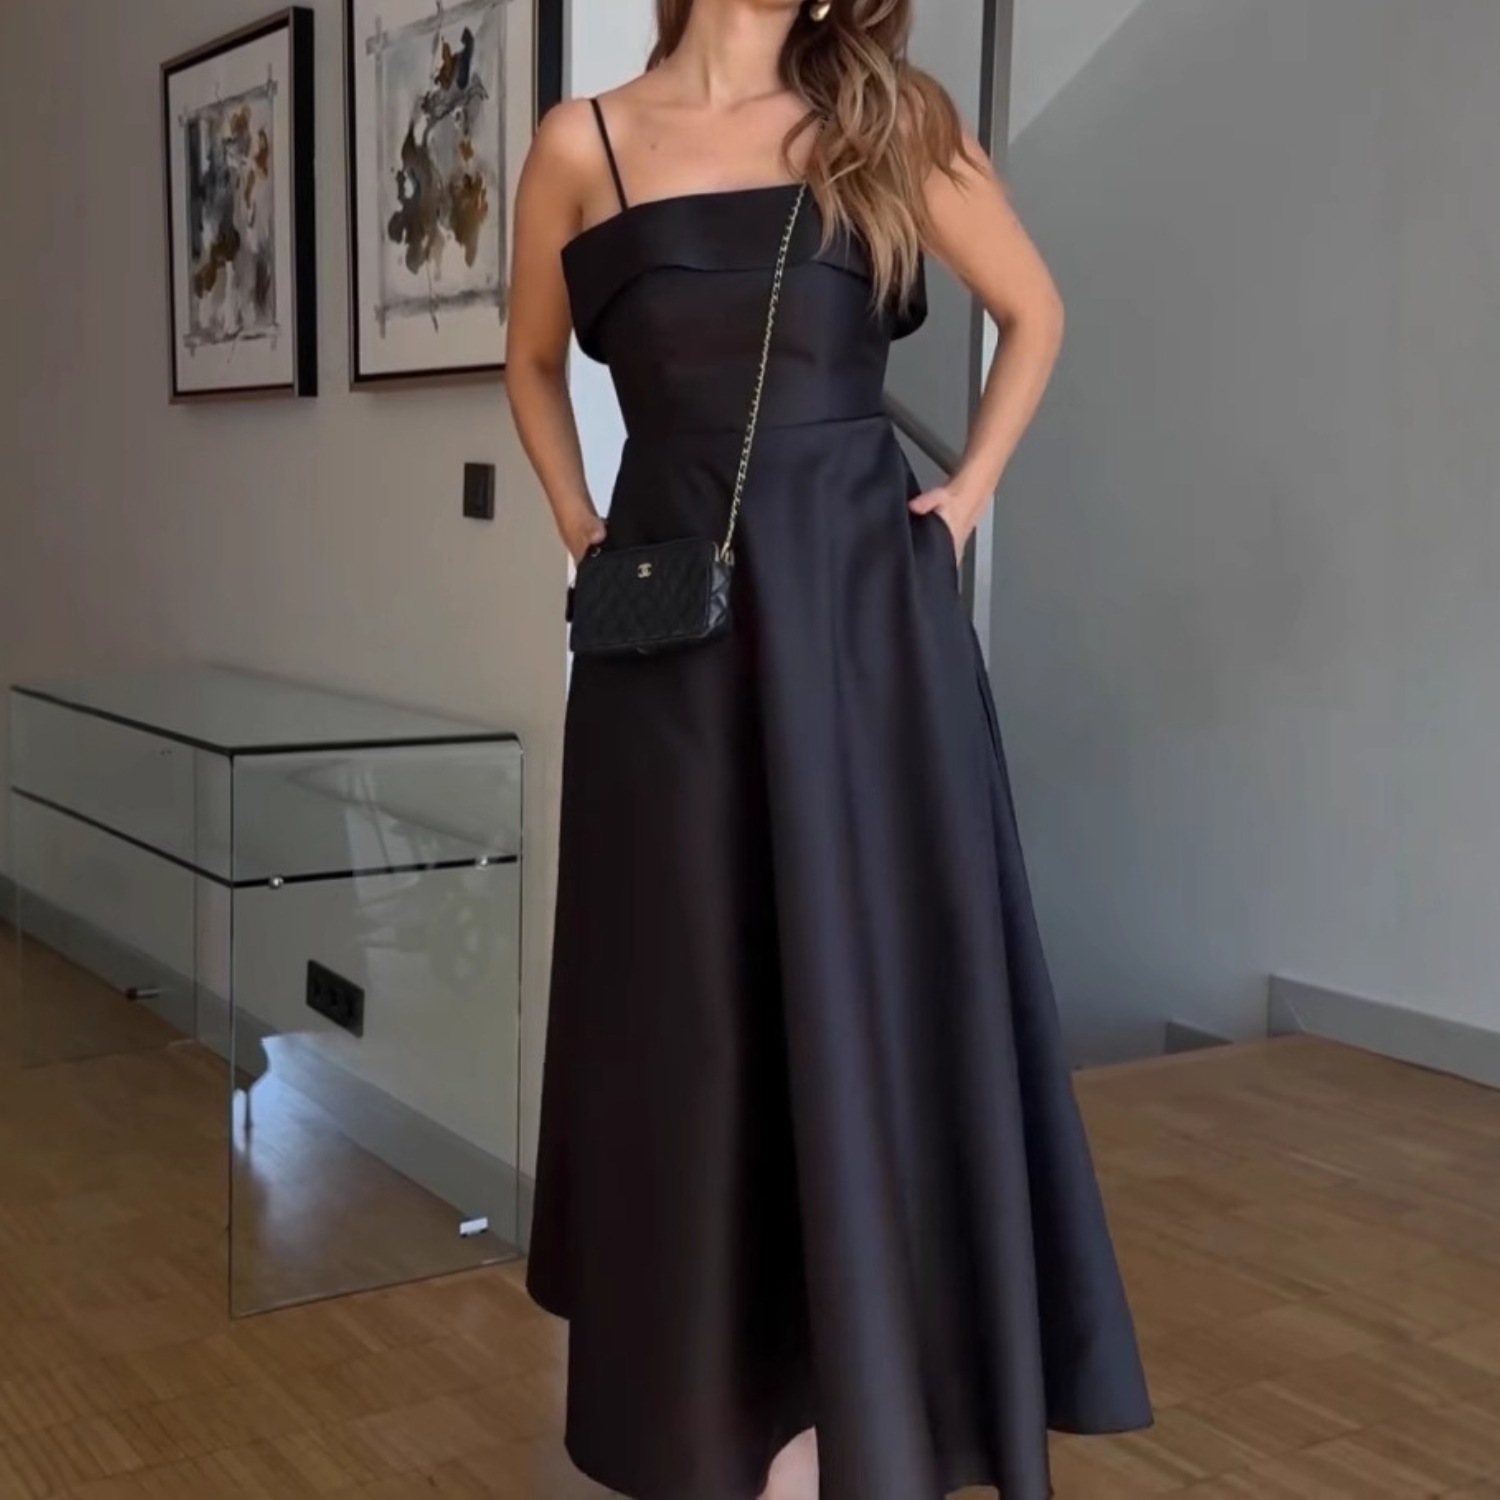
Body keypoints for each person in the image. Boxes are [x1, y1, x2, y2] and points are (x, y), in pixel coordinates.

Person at [505, 1, 1153, 1496]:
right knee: (692, 1008)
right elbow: (531, 363)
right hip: (670, 648)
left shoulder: (888, 120)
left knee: (870, 984)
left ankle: (857, 1413)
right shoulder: (580, 145)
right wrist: (584, 531)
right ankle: (714, 1415)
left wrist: (963, 501)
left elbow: (1034, 313)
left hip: (864, 630)